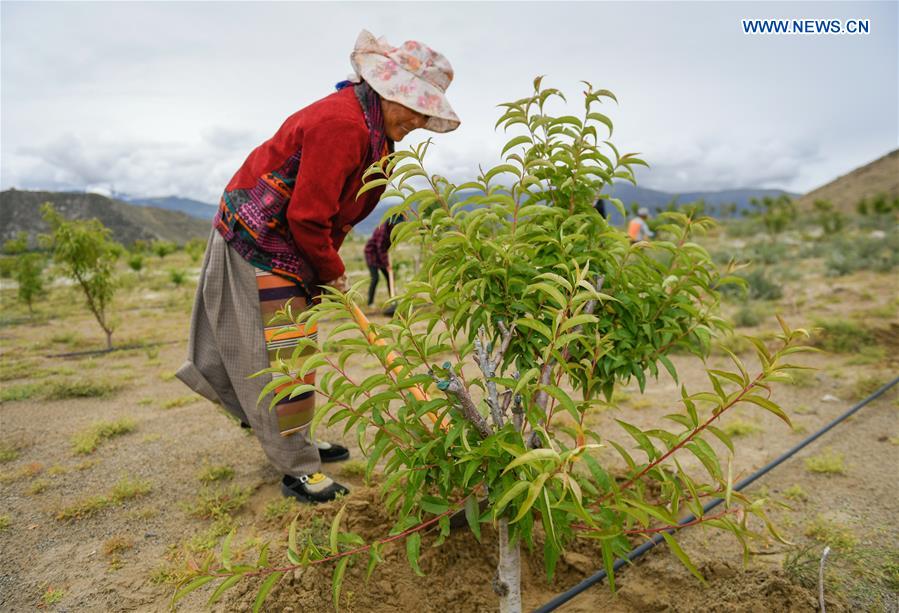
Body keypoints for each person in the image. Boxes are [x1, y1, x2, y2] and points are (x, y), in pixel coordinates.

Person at [175, 30, 460, 504]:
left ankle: (297, 441)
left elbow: (336, 214)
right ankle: (297, 468)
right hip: (257, 239)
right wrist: (330, 270)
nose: (419, 120)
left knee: (298, 350)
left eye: (425, 111)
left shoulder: (377, 138)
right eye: (414, 107)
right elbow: (308, 216)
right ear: (388, 91)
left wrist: (326, 270)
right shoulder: (343, 124)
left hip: (290, 245)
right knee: (277, 355)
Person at [364, 217, 400, 308]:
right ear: (391, 223)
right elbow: (380, 248)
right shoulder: (383, 231)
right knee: (375, 278)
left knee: (389, 277)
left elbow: (388, 246)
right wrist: (387, 264)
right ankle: (370, 303)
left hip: (381, 255)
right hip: (371, 254)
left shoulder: (393, 230)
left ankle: (393, 301)